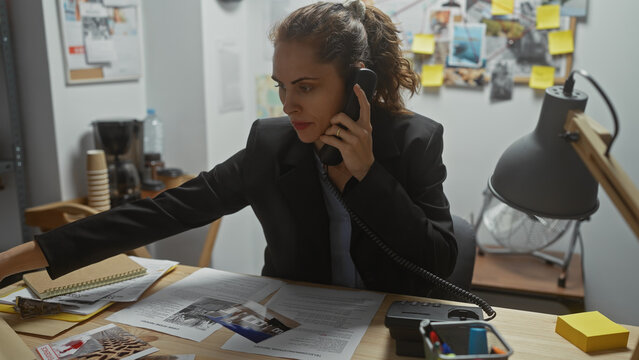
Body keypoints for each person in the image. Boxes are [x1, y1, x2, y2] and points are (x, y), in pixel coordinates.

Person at [0, 0, 456, 297]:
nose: (289, 104)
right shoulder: (273, 145)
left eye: (307, 87)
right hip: (300, 330)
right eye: (282, 86)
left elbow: (439, 261)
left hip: (387, 332)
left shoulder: (414, 142)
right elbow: (163, 212)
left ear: (358, 83)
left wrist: (368, 177)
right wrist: (11, 262)